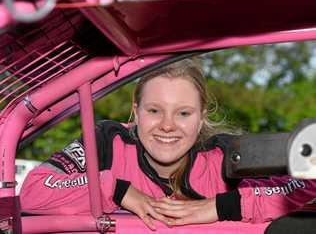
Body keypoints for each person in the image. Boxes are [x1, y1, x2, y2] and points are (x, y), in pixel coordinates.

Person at [20, 58, 316, 231]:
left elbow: (308, 184)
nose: (167, 125)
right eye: (154, 110)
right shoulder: (107, 141)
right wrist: (117, 190)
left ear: (201, 118)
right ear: (136, 111)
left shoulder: (223, 156)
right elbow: (33, 191)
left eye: (184, 113)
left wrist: (223, 206)